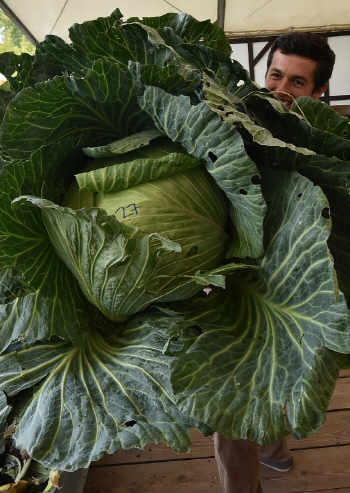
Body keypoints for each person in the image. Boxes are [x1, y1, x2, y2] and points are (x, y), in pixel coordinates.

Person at [214, 31, 336, 493]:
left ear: (319, 91)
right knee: (230, 395)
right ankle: (261, 465)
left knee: (272, 374)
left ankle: (273, 449)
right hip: (228, 275)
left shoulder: (329, 141)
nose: (281, 89)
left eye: (298, 83)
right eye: (275, 74)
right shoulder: (231, 120)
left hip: (289, 281)